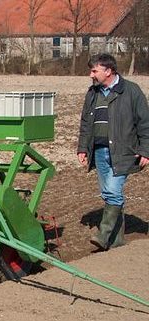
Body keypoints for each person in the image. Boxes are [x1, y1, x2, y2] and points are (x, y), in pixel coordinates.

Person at [77, 53, 149, 251]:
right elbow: (85, 124)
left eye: (94, 70)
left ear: (108, 71)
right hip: (99, 151)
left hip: (124, 151)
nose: (91, 74)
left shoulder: (131, 91)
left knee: (112, 191)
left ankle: (104, 234)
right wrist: (83, 148)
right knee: (108, 194)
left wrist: (146, 150)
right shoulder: (93, 93)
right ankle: (117, 242)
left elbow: (145, 123)